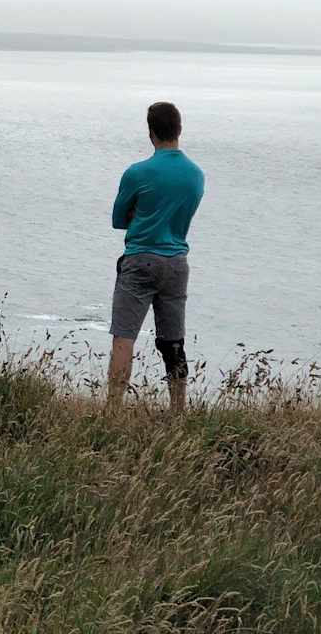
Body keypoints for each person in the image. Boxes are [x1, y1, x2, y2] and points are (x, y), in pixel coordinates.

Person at [107, 101, 205, 413]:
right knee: (173, 341)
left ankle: (113, 411)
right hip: (176, 263)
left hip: (140, 260)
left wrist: (140, 214)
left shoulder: (137, 173)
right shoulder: (196, 175)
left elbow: (118, 219)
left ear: (151, 133)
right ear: (179, 129)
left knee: (124, 338)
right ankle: (178, 410)